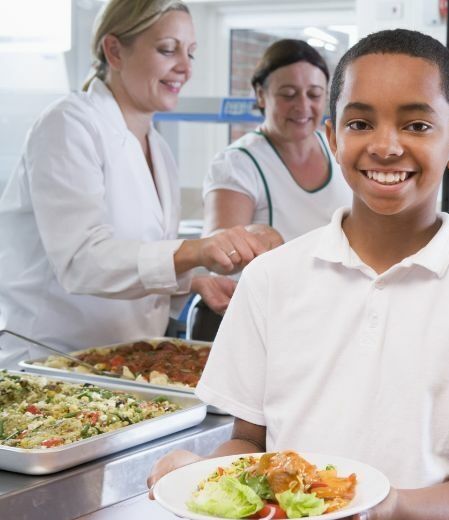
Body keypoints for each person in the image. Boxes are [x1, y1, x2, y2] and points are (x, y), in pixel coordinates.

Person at [148, 29, 449, 519]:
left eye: (417, 126)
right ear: (332, 136)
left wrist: (388, 507)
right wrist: (194, 475)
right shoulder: (271, 279)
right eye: (361, 122)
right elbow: (245, 442)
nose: (386, 147)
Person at [0, 0, 271, 364]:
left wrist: (191, 282)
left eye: (190, 53)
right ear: (114, 50)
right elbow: (82, 260)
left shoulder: (157, 147)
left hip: (122, 361)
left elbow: (135, 257)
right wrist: (196, 250)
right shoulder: (68, 125)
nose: (184, 68)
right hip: (49, 361)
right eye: (167, 50)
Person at [190, 39, 353, 338]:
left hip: (328, 318)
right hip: (259, 323)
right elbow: (217, 253)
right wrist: (255, 238)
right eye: (288, 94)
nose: (303, 106)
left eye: (314, 94)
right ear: (261, 95)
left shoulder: (340, 152)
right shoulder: (237, 164)